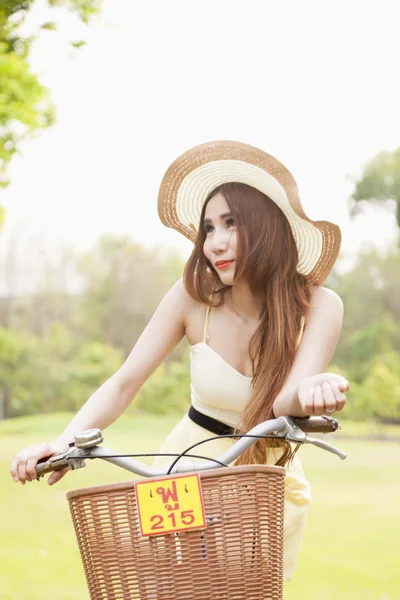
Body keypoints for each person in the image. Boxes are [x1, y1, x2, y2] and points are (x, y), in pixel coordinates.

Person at [10, 140, 349, 581]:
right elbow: (124, 382)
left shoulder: (319, 306)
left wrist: (311, 392)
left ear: (266, 226)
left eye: (231, 223)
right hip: (183, 475)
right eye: (208, 228)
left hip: (265, 480)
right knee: (176, 588)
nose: (216, 242)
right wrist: (65, 440)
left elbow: (285, 402)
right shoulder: (194, 299)